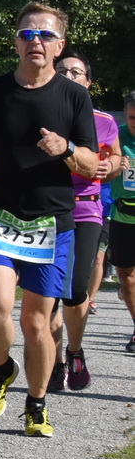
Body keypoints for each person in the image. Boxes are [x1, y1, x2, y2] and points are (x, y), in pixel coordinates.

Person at [0, 3, 97, 439]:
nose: (35, 41)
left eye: (45, 35)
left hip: (52, 222)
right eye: (27, 34)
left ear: (59, 46)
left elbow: (92, 164)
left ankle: (36, 405)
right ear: (16, 42)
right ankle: (2, 368)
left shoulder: (74, 96)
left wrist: (66, 149)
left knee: (36, 322)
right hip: (2, 214)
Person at [50, 54, 121, 391]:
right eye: (62, 70)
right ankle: (54, 363)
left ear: (88, 82)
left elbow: (117, 156)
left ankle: (74, 350)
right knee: (46, 293)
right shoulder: (41, 113)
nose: (68, 75)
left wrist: (113, 166)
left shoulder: (103, 121)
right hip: (45, 208)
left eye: (76, 72)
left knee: (76, 288)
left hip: (85, 209)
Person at [106, 92, 135, 353]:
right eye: (133, 117)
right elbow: (100, 174)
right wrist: (115, 166)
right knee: (126, 275)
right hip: (123, 215)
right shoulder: (117, 136)